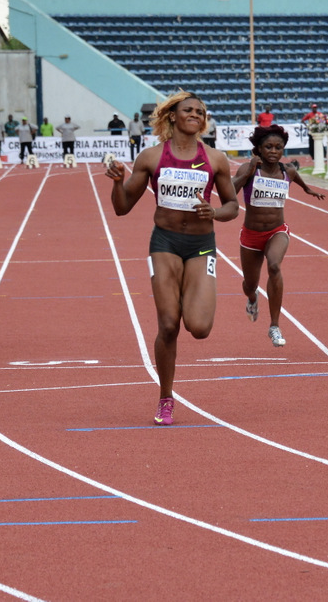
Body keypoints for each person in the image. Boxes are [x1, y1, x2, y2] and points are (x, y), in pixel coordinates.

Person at [105, 91, 239, 425]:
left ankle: (194, 293)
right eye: (189, 110)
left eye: (200, 111)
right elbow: (122, 208)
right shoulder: (151, 157)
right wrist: (118, 182)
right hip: (164, 243)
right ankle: (166, 397)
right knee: (168, 324)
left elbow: (233, 206)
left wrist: (216, 212)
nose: (195, 114)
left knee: (199, 327)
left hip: (201, 245)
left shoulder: (216, 159)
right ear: (172, 116)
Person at [233, 124, 326, 347]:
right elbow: (229, 189)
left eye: (279, 147)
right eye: (268, 147)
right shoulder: (249, 168)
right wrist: (246, 173)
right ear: (259, 149)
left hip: (277, 231)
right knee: (249, 284)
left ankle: (274, 326)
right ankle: (253, 298)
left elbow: (298, 180)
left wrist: (308, 190)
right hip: (251, 235)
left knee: (274, 266)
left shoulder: (288, 171)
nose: (274, 151)